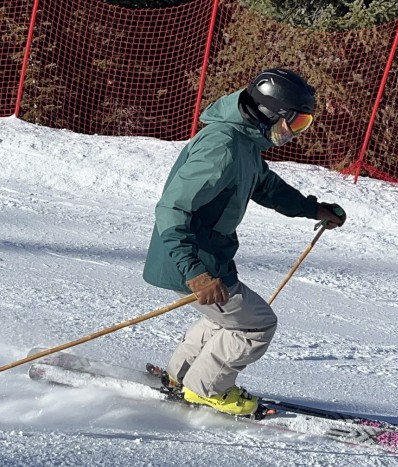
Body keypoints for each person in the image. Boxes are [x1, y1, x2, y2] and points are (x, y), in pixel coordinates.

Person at [143, 68, 346, 416]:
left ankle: (182, 376)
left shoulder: (244, 143)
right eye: (295, 123)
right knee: (256, 324)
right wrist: (195, 273)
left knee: (226, 319)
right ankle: (206, 389)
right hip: (191, 260)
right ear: (271, 114)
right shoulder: (222, 146)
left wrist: (313, 208)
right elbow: (172, 210)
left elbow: (266, 186)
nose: (295, 133)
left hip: (206, 257)